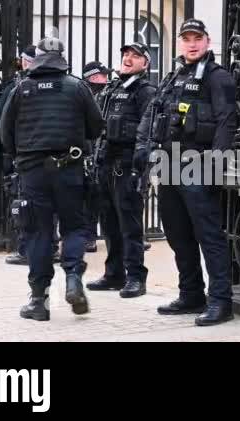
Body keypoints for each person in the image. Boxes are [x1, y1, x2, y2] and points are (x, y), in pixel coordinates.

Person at [134, 19, 237, 326]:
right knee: (178, 235)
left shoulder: (218, 78)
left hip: (197, 164)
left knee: (209, 236)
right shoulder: (174, 76)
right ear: (180, 42)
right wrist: (143, 151)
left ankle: (221, 301)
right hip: (168, 164)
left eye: (198, 38)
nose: (192, 44)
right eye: (187, 38)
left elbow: (226, 121)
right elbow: (153, 115)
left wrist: (216, 164)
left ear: (207, 41)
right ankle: (191, 293)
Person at [0, 37, 104, 321]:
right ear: (61, 57)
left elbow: (4, 132)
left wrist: (22, 155)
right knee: (74, 228)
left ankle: (38, 300)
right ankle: (73, 279)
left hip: (33, 173)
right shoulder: (77, 87)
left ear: (38, 58)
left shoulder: (21, 89)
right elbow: (96, 127)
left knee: (38, 233)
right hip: (69, 169)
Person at [85, 42, 156, 299]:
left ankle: (136, 277)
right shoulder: (112, 88)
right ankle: (114, 274)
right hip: (105, 163)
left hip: (127, 166)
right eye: (125, 54)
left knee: (130, 224)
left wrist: (141, 167)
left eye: (135, 56)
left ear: (144, 64)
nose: (128, 58)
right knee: (110, 223)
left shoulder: (145, 91)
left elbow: (147, 131)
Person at [0, 45, 60, 266]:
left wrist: (6, 153)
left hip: (26, 156)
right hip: (57, 159)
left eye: (23, 59)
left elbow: (2, 124)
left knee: (25, 205)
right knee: (49, 206)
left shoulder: (19, 87)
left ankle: (26, 249)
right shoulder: (66, 85)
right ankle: (50, 247)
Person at [82, 61, 112, 254]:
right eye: (103, 75)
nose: (107, 78)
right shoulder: (84, 94)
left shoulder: (104, 94)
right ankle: (88, 237)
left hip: (100, 150)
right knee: (89, 198)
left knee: (101, 197)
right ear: (93, 77)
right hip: (86, 151)